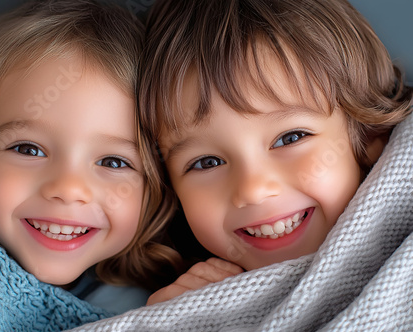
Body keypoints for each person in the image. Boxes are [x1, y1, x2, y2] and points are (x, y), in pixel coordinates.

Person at [139, 0, 413, 305]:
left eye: (290, 138)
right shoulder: (187, 302)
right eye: (207, 162)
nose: (253, 190)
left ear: (368, 132)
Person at [0, 0, 182, 313]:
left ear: (154, 191)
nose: (68, 188)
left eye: (114, 162)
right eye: (29, 149)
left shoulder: (143, 309)